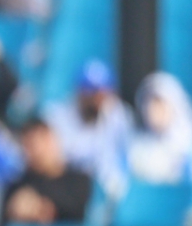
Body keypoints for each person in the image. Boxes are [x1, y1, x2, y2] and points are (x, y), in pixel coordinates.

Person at [43, 59, 130, 197]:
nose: (97, 99)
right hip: (69, 188)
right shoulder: (57, 117)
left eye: (102, 92)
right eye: (92, 93)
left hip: (107, 189)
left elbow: (126, 158)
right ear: (79, 92)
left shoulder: (118, 116)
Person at [0, 116, 92, 226]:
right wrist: (14, 213)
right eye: (30, 145)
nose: (37, 151)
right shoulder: (17, 188)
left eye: (42, 141)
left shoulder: (80, 181)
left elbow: (82, 216)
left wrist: (43, 207)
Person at [127, 72, 192, 185]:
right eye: (149, 103)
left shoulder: (190, 147)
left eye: (159, 104)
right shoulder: (136, 147)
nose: (153, 111)